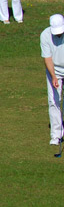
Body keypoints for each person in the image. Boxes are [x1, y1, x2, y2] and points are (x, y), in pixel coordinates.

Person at [41, 14, 64, 145]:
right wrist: (54, 76)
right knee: (54, 101)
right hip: (54, 71)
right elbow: (47, 58)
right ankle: (56, 135)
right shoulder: (45, 35)